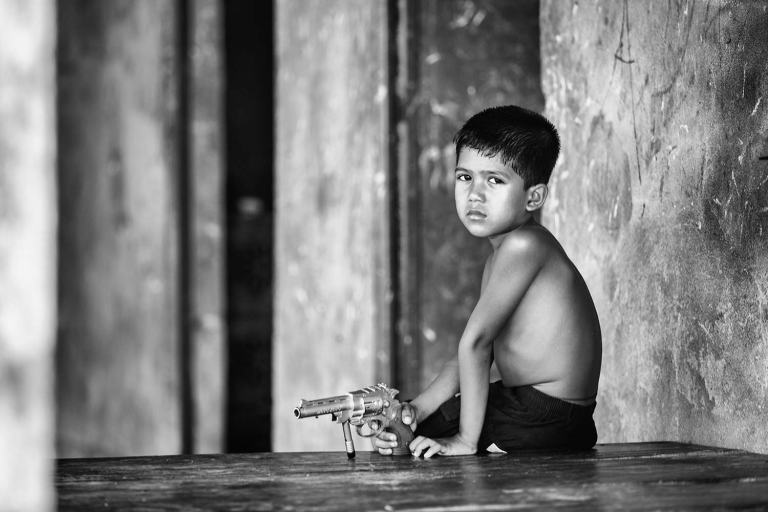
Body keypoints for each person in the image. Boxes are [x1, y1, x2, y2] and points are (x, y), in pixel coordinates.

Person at [375, 105, 602, 458]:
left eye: (494, 180)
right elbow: (469, 353)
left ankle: (464, 444)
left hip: (548, 414)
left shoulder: (525, 246)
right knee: (416, 429)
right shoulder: (501, 257)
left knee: (433, 441)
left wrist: (465, 441)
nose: (475, 194)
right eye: (465, 177)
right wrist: (416, 409)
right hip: (530, 406)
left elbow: (475, 344)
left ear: (534, 197)